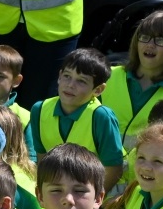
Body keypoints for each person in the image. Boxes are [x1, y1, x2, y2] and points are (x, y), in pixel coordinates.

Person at [26, 48, 126, 190]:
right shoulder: (39, 109)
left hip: (100, 196)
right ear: (59, 76)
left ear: (98, 90)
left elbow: (114, 168)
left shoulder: (101, 116)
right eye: (67, 76)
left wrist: (94, 201)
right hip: (59, 194)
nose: (70, 85)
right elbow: (42, 158)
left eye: (81, 81)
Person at [99, 9, 163, 152]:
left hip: (145, 172)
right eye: (144, 37)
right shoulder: (107, 77)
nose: (150, 44)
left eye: (160, 40)